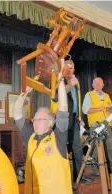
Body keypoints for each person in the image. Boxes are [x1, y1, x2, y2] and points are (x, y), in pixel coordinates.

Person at [13, 59, 73, 194]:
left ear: (50, 123)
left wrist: (60, 78)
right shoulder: (31, 136)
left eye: (40, 119)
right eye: (35, 119)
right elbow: (17, 113)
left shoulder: (58, 137)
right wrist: (24, 93)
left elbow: (63, 108)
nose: (35, 121)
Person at [51, 59, 92, 182]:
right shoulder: (57, 80)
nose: (69, 69)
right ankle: (60, 177)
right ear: (62, 69)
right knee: (61, 148)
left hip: (74, 119)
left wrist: (79, 117)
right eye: (67, 67)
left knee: (78, 149)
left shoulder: (76, 83)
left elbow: (76, 102)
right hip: (61, 119)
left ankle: (78, 176)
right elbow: (55, 98)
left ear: (74, 70)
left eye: (71, 67)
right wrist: (68, 86)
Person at [82, 77, 112, 174]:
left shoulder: (107, 96)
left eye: (100, 83)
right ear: (92, 85)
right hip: (96, 126)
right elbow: (85, 110)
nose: (98, 85)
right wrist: (99, 108)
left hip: (107, 124)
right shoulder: (89, 95)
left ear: (103, 85)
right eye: (96, 83)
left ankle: (110, 167)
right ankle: (95, 169)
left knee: (110, 146)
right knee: (95, 148)